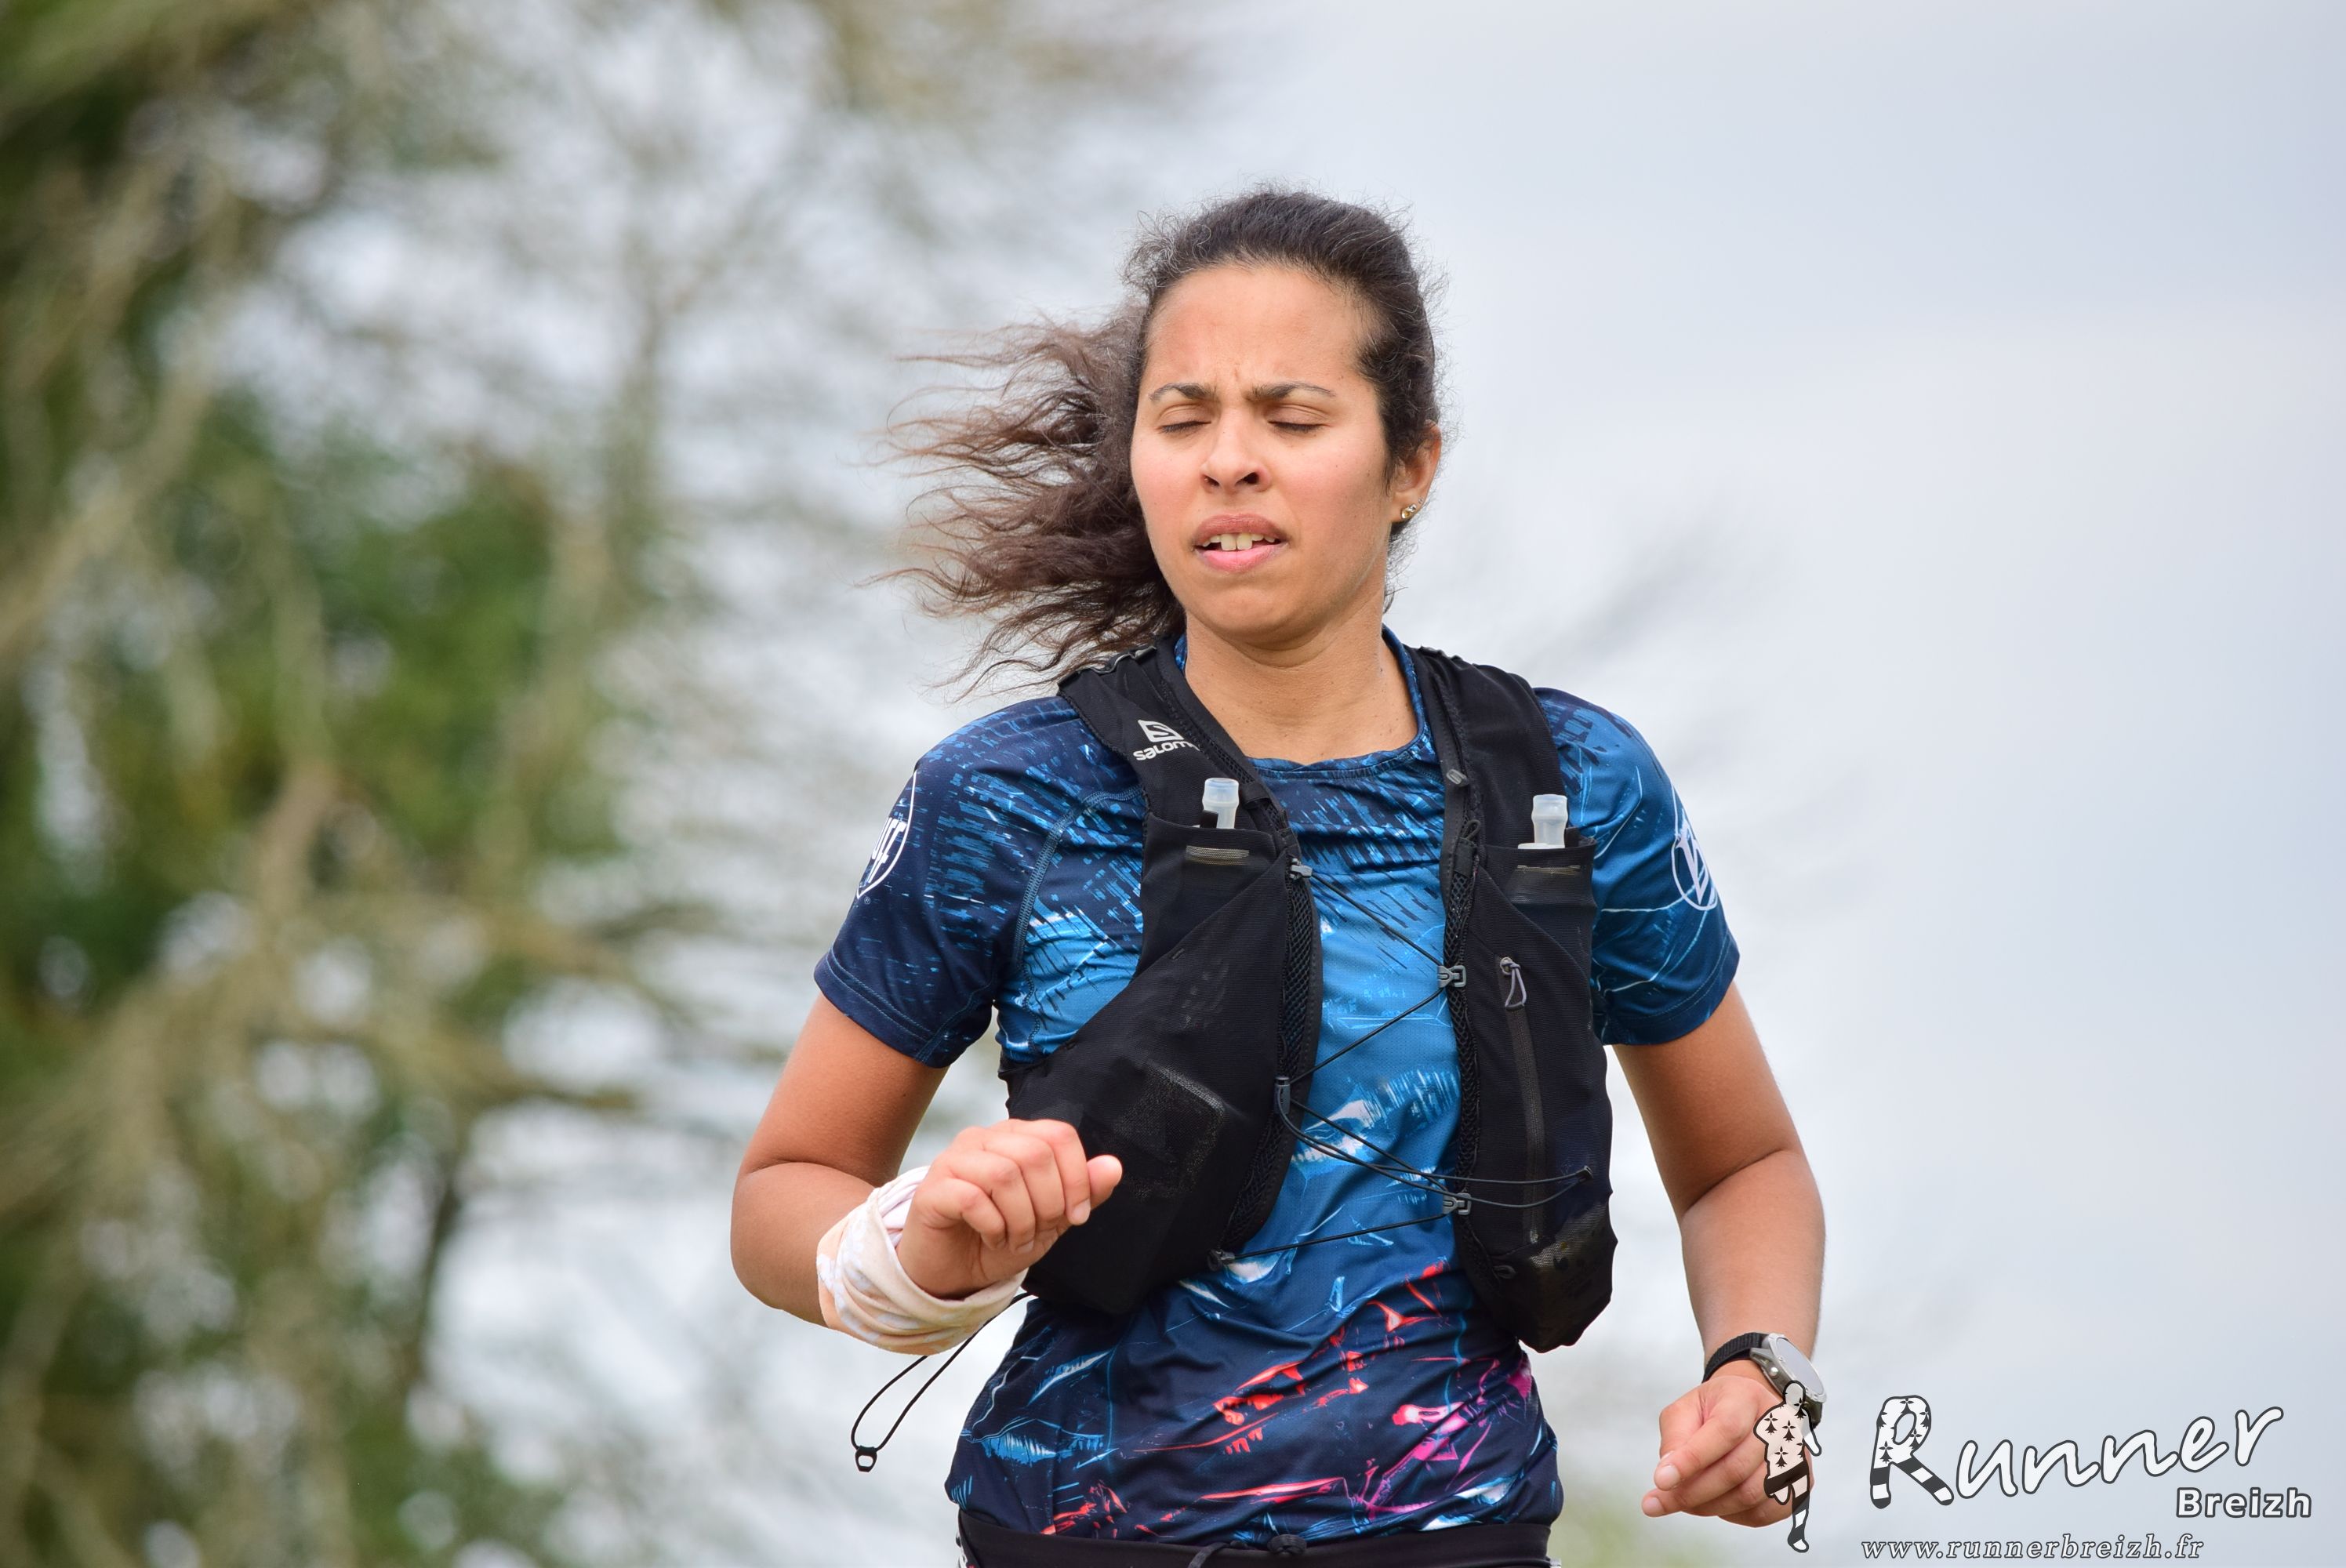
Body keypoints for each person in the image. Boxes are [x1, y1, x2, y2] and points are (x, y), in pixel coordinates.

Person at [731, 187, 1826, 1566]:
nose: (1230, 462)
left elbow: (1745, 1163)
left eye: (1293, 419)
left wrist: (1768, 1383)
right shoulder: (1006, 795)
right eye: (1182, 419)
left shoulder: (1573, 785)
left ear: (1411, 462)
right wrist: (915, 1246)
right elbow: (784, 1191)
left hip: (1460, 1538)